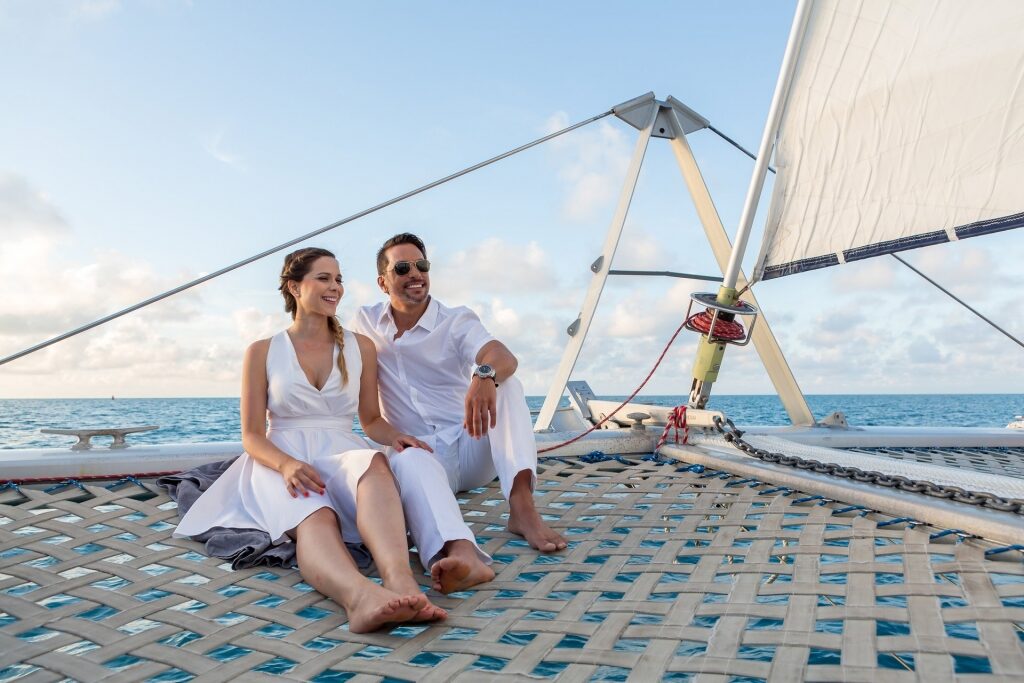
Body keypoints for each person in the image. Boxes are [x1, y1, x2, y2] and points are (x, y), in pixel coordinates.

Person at [175, 247, 446, 633]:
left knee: (375, 464)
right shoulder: (262, 351)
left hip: (340, 446)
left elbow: (370, 420)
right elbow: (251, 435)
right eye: (323, 278)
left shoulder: (360, 347)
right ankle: (360, 598)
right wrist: (286, 465)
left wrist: (398, 437)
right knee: (315, 514)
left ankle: (400, 581)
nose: (335, 287)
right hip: (280, 454)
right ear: (294, 287)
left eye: (338, 279)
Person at [352, 233, 567, 594]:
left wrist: (484, 375)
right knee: (406, 459)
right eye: (402, 268)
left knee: (508, 383)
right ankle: (462, 553)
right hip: (422, 455)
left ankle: (521, 507)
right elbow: (365, 411)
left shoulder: (455, 320)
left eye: (422, 265)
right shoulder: (366, 323)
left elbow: (503, 356)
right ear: (382, 282)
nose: (415, 274)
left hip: (470, 442)